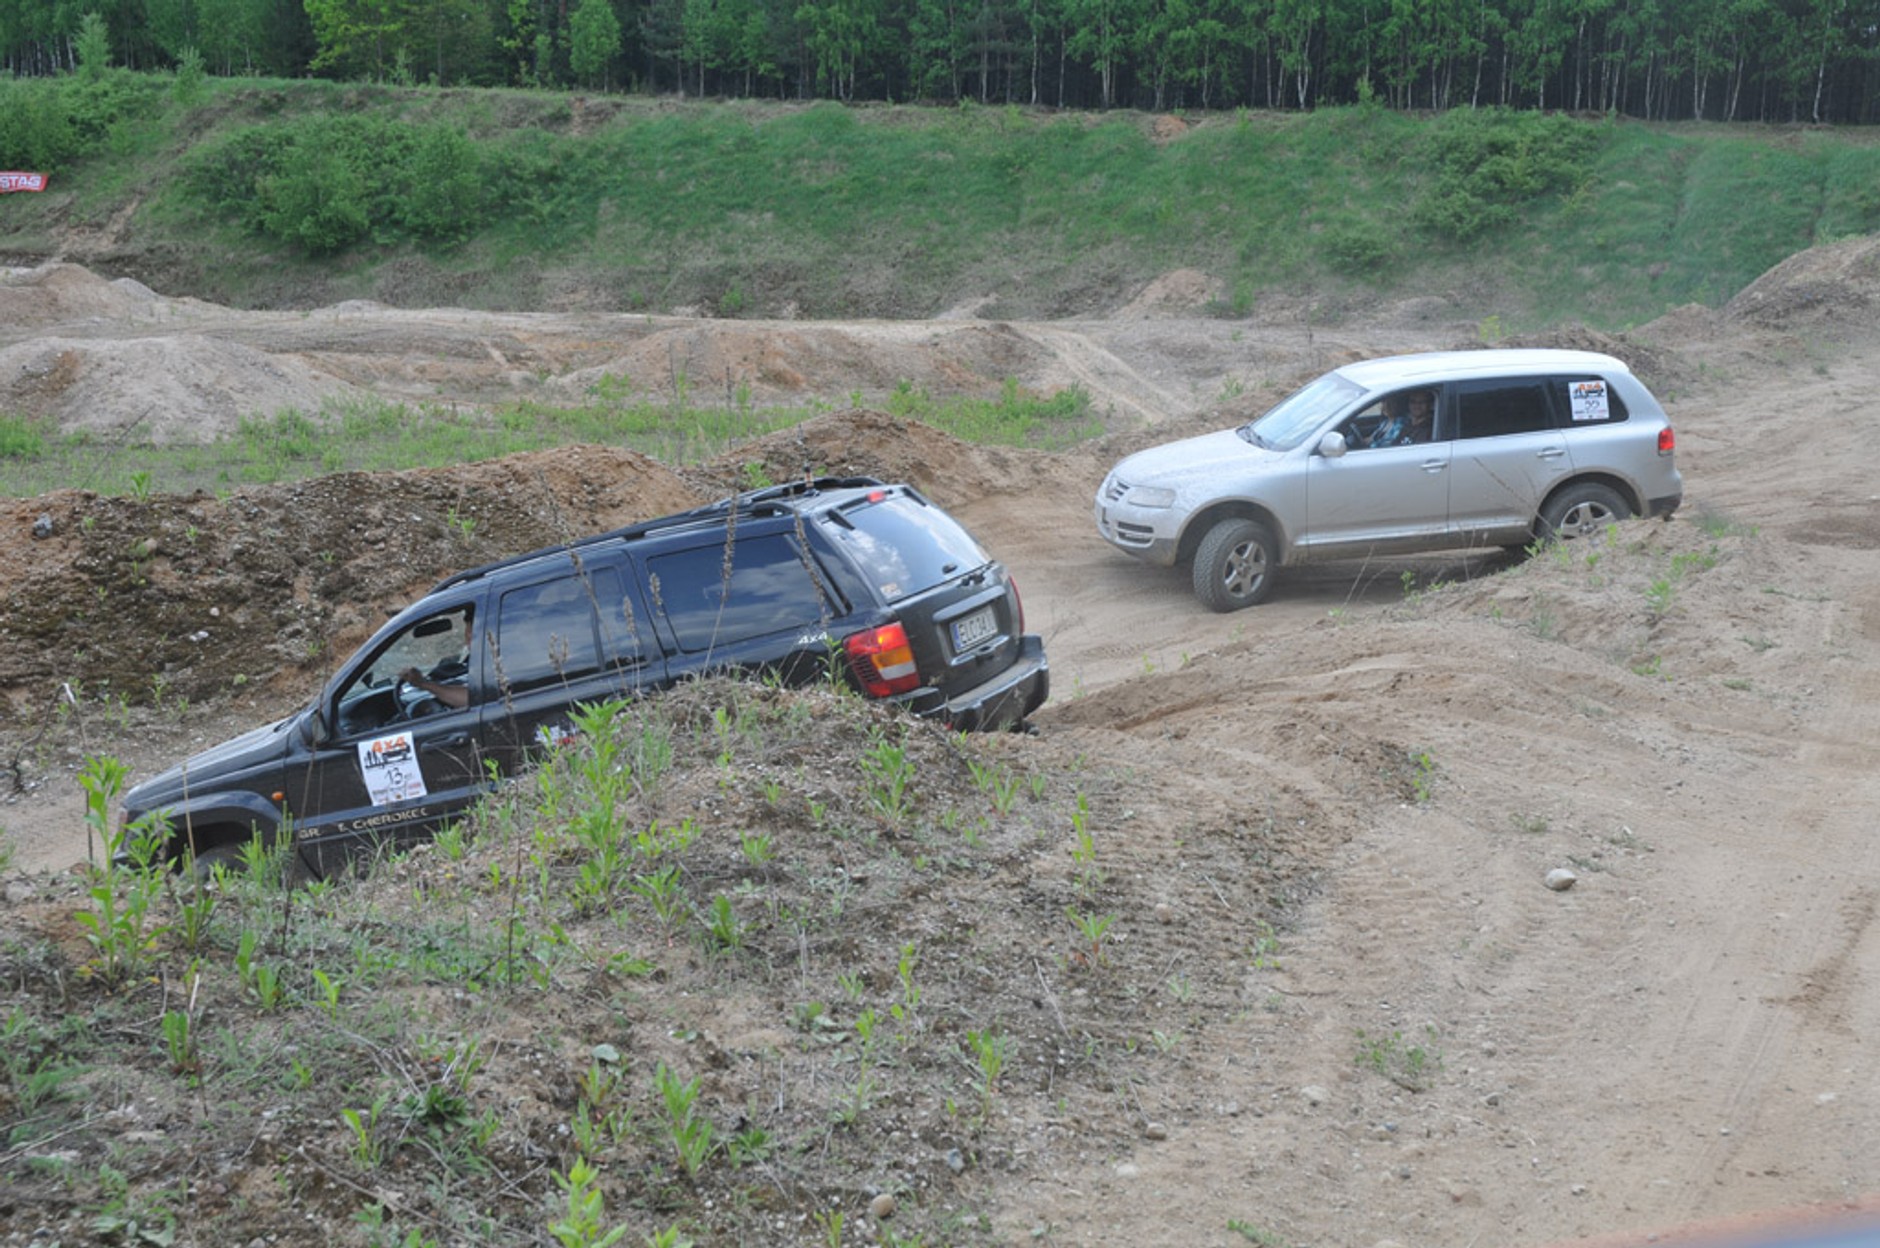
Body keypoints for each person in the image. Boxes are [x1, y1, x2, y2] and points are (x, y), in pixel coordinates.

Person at [1367, 389, 1435, 448]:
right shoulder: (1408, 425)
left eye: (1422, 402)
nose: (1417, 405)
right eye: (1413, 401)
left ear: (1429, 404)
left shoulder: (1429, 429)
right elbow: (1394, 445)